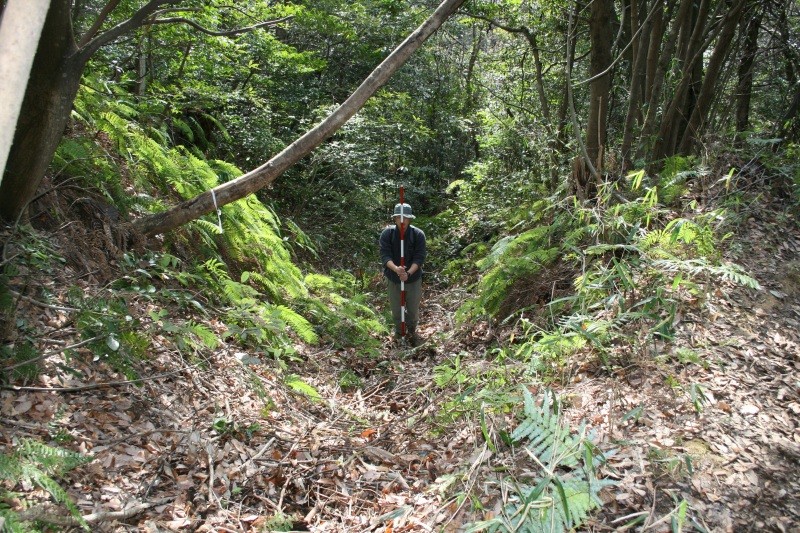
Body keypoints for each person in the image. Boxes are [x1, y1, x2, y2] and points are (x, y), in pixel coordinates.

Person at [379, 202, 426, 346]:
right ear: (394, 219)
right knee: (396, 309)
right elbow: (385, 255)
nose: (402, 221)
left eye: (405, 217)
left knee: (412, 309)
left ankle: (412, 333)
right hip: (394, 278)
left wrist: (409, 273)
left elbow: (420, 256)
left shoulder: (418, 234)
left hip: (413, 278)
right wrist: (397, 269)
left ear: (410, 219)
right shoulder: (387, 234)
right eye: (399, 217)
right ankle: (400, 335)